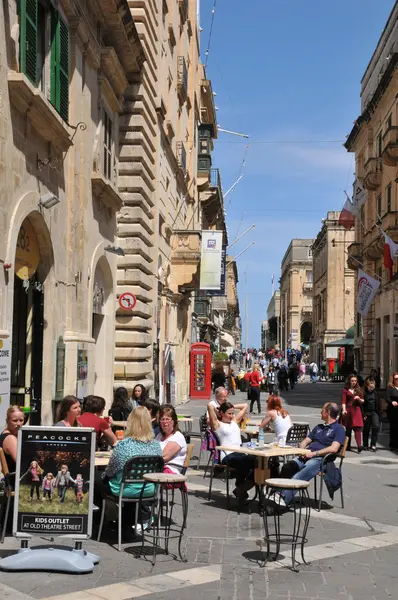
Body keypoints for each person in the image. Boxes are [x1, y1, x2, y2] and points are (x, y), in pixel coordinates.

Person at [101, 406, 162, 535]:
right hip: (149, 489)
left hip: (126, 489)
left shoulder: (124, 445)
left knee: (97, 481)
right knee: (128, 481)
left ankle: (99, 524)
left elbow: (111, 470)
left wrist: (104, 475)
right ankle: (125, 524)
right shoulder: (156, 446)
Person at [275, 403, 346, 506]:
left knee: (300, 474)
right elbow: (305, 441)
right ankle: (277, 493)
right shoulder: (319, 427)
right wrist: (302, 451)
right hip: (307, 456)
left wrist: (314, 454)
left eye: (322, 410)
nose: (320, 412)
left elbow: (334, 448)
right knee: (288, 466)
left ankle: (283, 498)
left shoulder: (338, 428)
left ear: (328, 413)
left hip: (322, 459)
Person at [207, 400, 255, 499]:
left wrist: (232, 406)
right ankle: (240, 484)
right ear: (221, 413)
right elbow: (210, 405)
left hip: (241, 453)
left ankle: (242, 488)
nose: (231, 415)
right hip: (227, 455)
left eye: (233, 413)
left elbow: (245, 405)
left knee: (260, 463)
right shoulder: (217, 424)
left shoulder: (234, 421)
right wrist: (218, 409)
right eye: (229, 413)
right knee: (244, 460)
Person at [155, 405, 187, 474]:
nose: (165, 422)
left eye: (168, 419)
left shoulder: (177, 437)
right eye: (162, 419)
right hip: (157, 470)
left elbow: (162, 458)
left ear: (173, 421)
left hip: (170, 472)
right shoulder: (159, 436)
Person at [341, 374, 364, 452]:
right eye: (352, 381)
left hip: (356, 410)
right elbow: (343, 401)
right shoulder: (345, 389)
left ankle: (359, 445)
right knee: (348, 428)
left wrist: (359, 399)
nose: (354, 382)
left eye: (355, 381)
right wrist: (344, 410)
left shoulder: (359, 389)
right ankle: (347, 445)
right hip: (348, 409)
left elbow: (363, 401)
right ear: (349, 381)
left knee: (357, 428)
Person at [0, 406, 24, 478]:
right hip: (14, 483)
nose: (19, 423)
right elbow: (22, 463)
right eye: (15, 420)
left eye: (21, 420)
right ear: (7, 421)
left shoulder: (9, 434)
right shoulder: (10, 439)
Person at [362, 377, 380, 452]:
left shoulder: (375, 393)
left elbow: (378, 403)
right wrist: (363, 414)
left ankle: (373, 444)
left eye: (373, 387)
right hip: (366, 412)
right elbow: (362, 405)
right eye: (370, 387)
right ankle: (365, 445)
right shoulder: (363, 393)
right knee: (366, 429)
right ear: (367, 386)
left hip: (374, 412)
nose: (372, 388)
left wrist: (379, 413)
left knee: (376, 427)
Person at [386, 372, 398, 450]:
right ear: (393, 380)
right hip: (393, 410)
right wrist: (392, 402)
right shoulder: (390, 389)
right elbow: (387, 398)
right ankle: (393, 445)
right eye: (396, 379)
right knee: (394, 428)